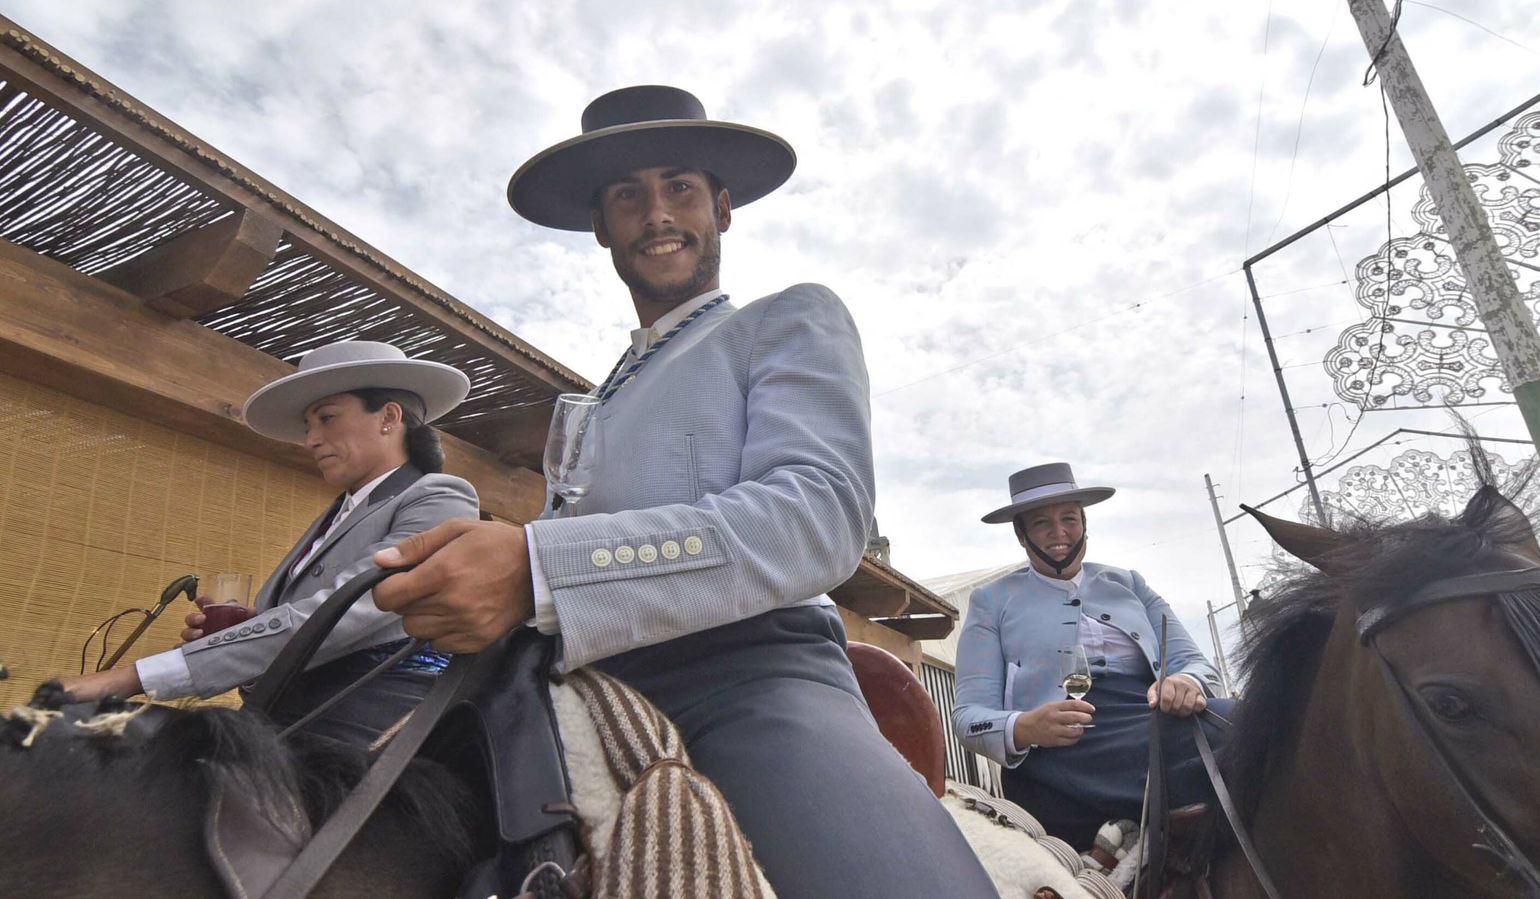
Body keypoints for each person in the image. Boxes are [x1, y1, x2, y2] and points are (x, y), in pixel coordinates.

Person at [366, 85, 999, 896]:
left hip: (750, 679)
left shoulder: (788, 318)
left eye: (680, 187)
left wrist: (539, 567)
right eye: (628, 195)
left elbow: (817, 515)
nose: (656, 212)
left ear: (723, 208)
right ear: (603, 228)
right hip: (564, 683)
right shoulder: (597, 398)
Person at [57, 341, 478, 747]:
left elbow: (353, 607)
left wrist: (133, 677)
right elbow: (301, 621)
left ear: (388, 416)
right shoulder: (337, 514)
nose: (311, 439)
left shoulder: (439, 496)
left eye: (326, 418)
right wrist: (247, 630)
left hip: (363, 726)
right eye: (308, 426)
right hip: (278, 715)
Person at [953, 462, 1234, 848]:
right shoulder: (991, 602)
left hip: (1150, 717)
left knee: (1243, 721)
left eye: (1069, 518)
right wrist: (1024, 727)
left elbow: (1196, 663)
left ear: (1084, 523)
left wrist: (1186, 681)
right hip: (1062, 745)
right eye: (1041, 523)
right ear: (1021, 536)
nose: (1059, 533)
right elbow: (969, 718)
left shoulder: (1130, 583)